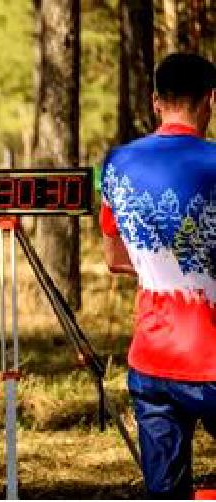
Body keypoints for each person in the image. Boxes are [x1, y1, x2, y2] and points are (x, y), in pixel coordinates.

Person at [100, 52, 216, 498]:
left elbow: (115, 257)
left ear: (154, 101)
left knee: (165, 491)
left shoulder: (116, 164)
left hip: (153, 358)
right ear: (211, 99)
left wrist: (160, 265)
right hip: (211, 353)